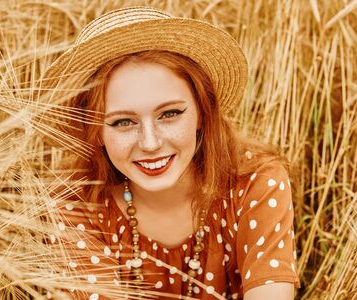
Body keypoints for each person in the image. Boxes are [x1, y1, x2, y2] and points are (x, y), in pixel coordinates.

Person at [38, 6, 300, 300]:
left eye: (170, 114)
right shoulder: (75, 205)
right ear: (96, 131)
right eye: (123, 122)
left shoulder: (255, 183)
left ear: (203, 111)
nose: (150, 143)